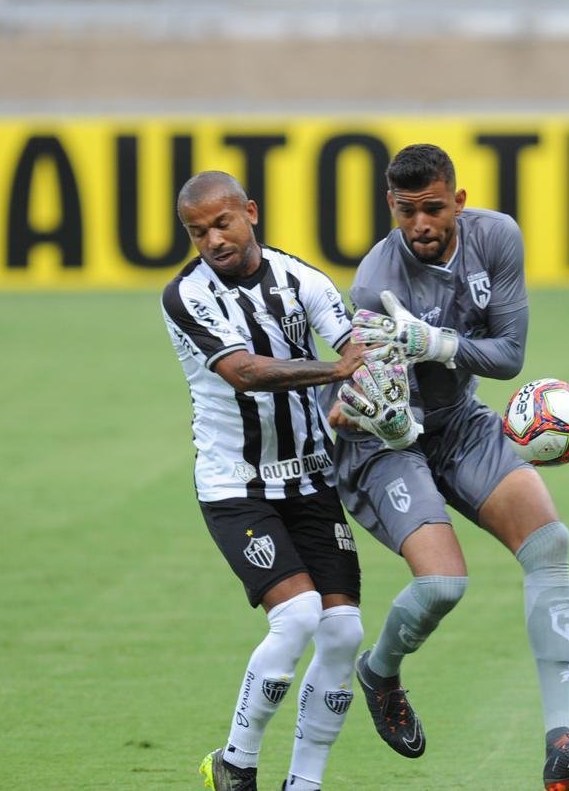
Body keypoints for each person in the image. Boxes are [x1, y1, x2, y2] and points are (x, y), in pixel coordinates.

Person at [329, 144, 569, 791]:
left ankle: (559, 742)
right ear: (391, 207)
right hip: (385, 440)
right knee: (442, 587)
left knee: (549, 543)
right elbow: (383, 408)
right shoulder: (375, 282)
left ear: (458, 201)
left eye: (434, 208)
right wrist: (395, 411)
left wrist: (436, 345)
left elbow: (510, 355)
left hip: (458, 420)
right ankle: (379, 671)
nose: (422, 225)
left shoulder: (496, 238)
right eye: (408, 212)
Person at [161, 171, 366, 791]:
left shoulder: (303, 280)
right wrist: (336, 369)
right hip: (235, 485)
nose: (212, 240)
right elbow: (245, 372)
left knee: (344, 632)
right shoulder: (185, 297)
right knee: (299, 615)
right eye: (198, 232)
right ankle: (235, 763)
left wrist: (360, 382)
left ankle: (304, 783)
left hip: (310, 477)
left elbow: (355, 343)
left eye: (222, 223)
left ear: (250, 212)